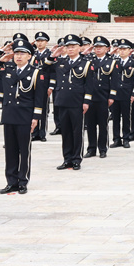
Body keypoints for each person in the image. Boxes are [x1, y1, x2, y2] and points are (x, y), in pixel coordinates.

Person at [0, 39, 48, 194]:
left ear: (29, 56)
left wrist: (36, 117)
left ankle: (23, 181)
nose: (18, 56)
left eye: (22, 53)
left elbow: (39, 97)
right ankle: (11, 181)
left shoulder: (35, 73)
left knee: (24, 150)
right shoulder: (7, 70)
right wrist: (0, 59)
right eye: (16, 53)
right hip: (9, 115)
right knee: (10, 151)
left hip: (25, 116)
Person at [48, 35, 91, 171]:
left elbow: (89, 85)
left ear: (79, 47)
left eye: (73, 46)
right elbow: (44, 68)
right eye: (68, 47)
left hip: (77, 102)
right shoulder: (60, 62)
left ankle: (76, 159)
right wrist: (52, 56)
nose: (70, 49)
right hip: (62, 100)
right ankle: (67, 159)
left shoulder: (86, 63)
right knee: (65, 132)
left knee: (77, 132)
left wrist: (86, 101)